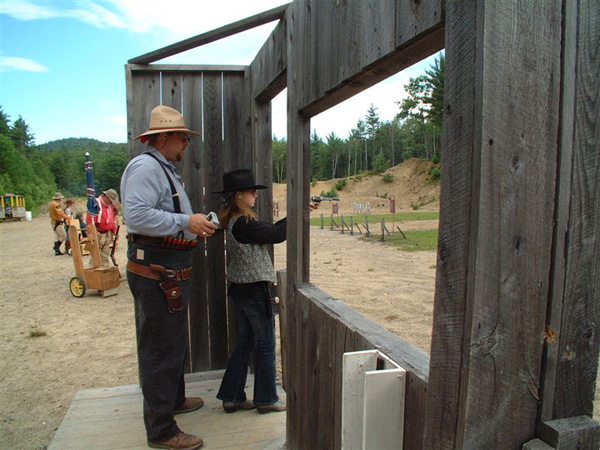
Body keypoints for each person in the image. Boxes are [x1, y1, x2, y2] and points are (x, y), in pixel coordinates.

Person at [120, 105, 218, 450]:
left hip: (165, 270)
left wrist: (190, 222)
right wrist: (185, 222)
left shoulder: (163, 169)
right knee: (161, 349)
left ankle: (173, 400)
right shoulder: (147, 167)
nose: (185, 144)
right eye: (181, 137)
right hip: (157, 271)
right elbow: (136, 215)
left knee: (171, 342)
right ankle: (162, 430)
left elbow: (163, 214)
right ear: (163, 138)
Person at [215, 169, 318, 414]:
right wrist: (300, 213)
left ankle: (232, 397)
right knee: (266, 343)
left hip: (242, 290)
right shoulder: (244, 222)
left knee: (246, 342)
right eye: (251, 192)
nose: (255, 196)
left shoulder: (234, 220)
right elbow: (277, 234)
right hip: (254, 290)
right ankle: (266, 399)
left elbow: (273, 231)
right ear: (239, 196)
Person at [87, 189, 119, 266]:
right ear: (106, 197)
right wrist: (94, 233)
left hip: (107, 233)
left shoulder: (110, 206)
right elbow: (90, 221)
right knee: (95, 256)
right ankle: (93, 274)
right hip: (98, 233)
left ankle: (105, 272)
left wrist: (115, 232)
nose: (111, 203)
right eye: (110, 200)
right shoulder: (95, 204)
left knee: (105, 256)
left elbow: (112, 219)